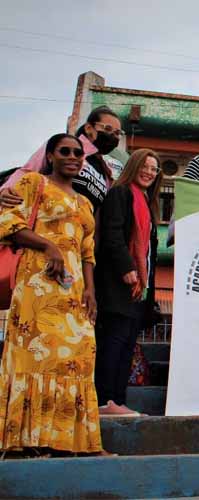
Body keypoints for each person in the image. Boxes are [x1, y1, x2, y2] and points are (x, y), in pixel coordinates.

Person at [0, 133, 103, 455]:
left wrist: (92, 292)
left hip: (74, 293)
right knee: (35, 357)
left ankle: (68, 441)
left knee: (79, 357)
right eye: (65, 151)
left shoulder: (84, 202)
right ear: (50, 155)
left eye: (77, 153)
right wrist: (48, 245)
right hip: (37, 286)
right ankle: (24, 442)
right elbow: (7, 221)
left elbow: (88, 252)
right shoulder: (33, 183)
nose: (73, 156)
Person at [94, 149, 163, 416]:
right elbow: (112, 233)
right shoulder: (121, 193)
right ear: (133, 166)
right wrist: (126, 268)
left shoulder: (147, 202)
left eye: (154, 169)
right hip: (117, 284)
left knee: (126, 345)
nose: (149, 172)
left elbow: (147, 251)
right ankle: (104, 400)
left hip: (138, 289)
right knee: (113, 341)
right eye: (145, 166)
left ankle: (117, 401)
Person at [1, 106, 123, 211]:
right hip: (45, 221)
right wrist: (6, 189)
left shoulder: (107, 172)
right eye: (107, 129)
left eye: (117, 133)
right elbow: (28, 170)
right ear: (89, 128)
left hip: (78, 232)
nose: (113, 135)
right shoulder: (63, 148)